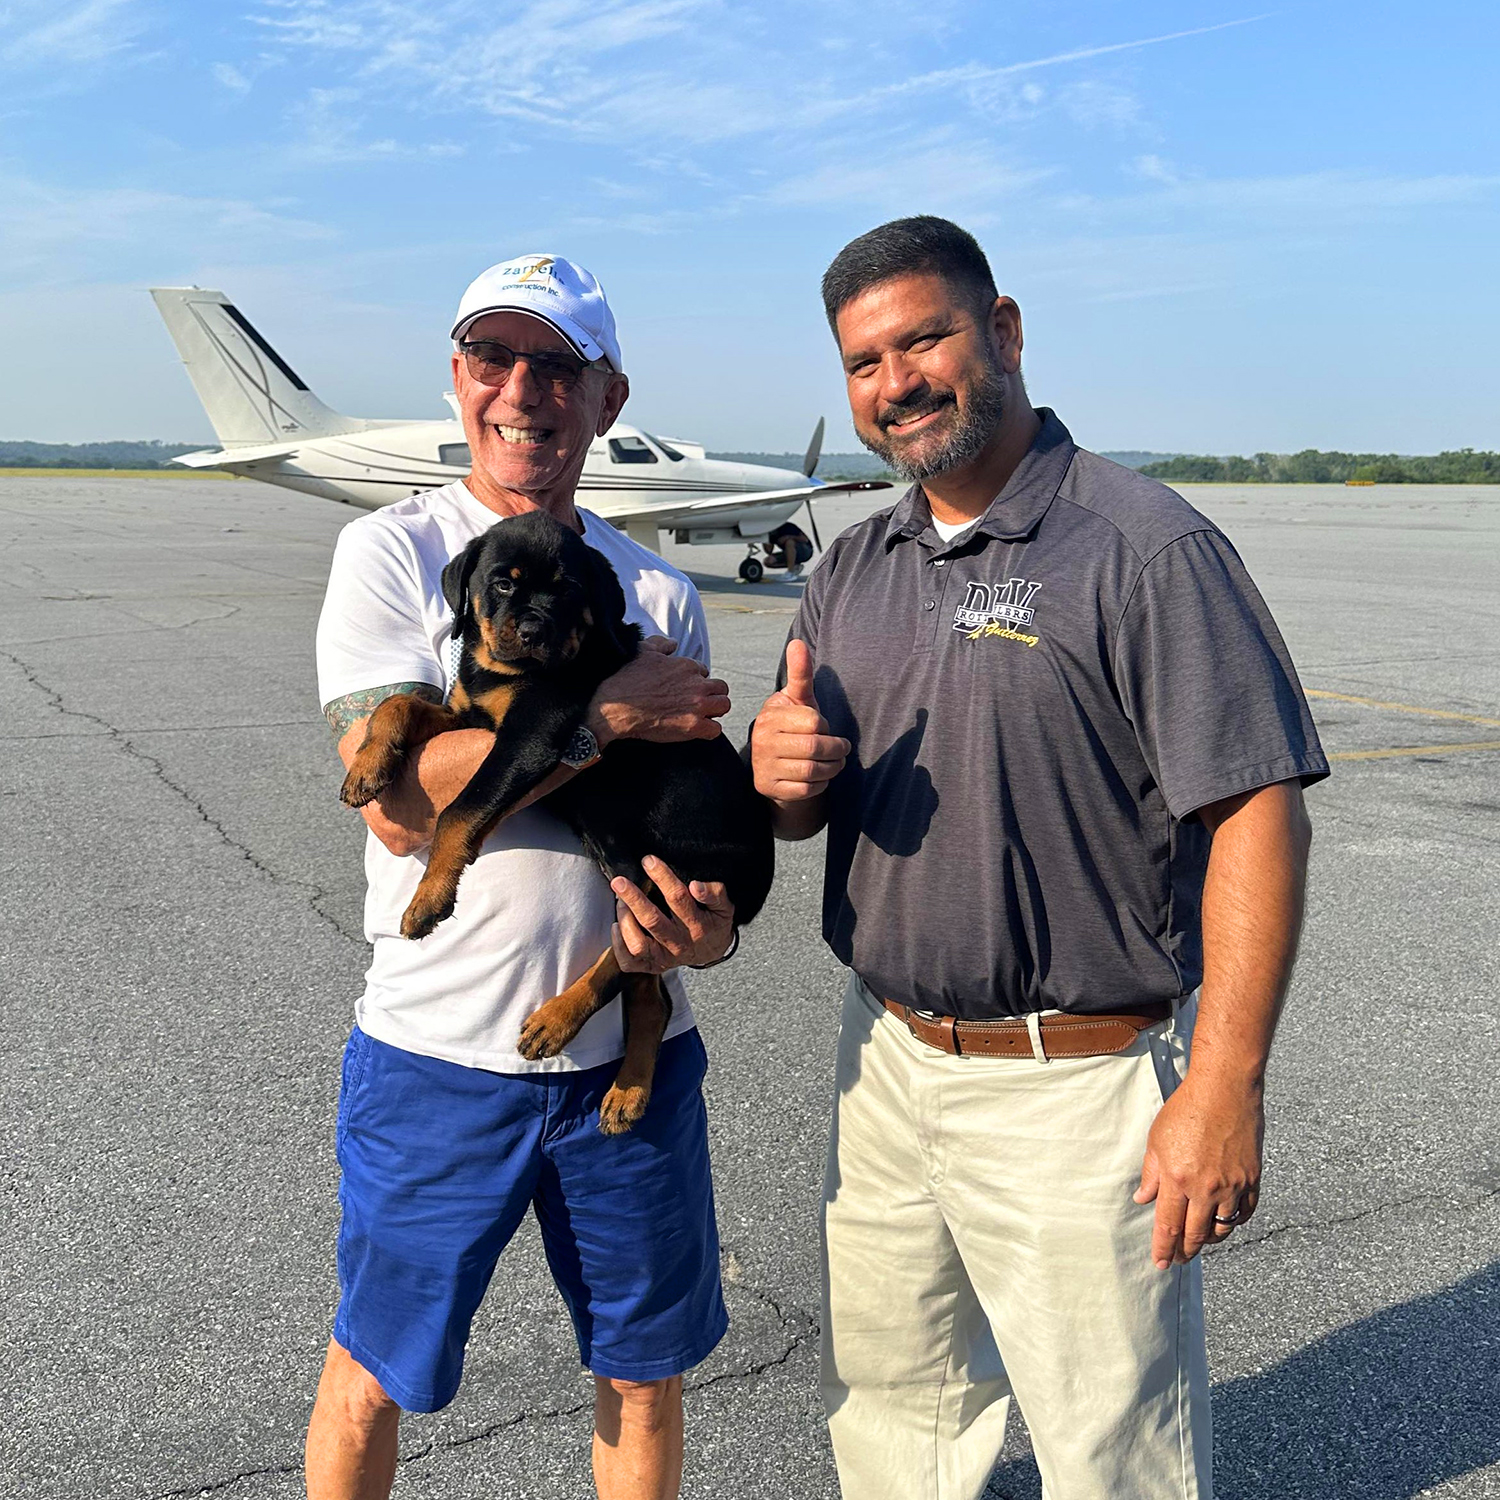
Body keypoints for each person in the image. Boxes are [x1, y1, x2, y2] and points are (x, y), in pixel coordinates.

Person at [750, 216, 1327, 1500]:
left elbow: (1256, 817)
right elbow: (802, 810)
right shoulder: (855, 565)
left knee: (1111, 1449)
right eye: (861, 361)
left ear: (1002, 333)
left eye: (924, 338)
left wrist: (1223, 1089)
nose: (894, 381)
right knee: (892, 1414)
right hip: (886, 1064)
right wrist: (776, 780)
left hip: (1074, 1084)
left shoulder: (1142, 547)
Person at [309, 253, 738, 1500]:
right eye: (494, 360)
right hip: (439, 1056)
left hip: (627, 1063)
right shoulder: (394, 552)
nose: (521, 391)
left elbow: (687, 817)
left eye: (555, 366)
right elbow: (399, 803)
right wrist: (608, 711)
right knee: (372, 1369)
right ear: (458, 381)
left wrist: (700, 935)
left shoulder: (653, 587)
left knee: (644, 1374)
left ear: (606, 396)